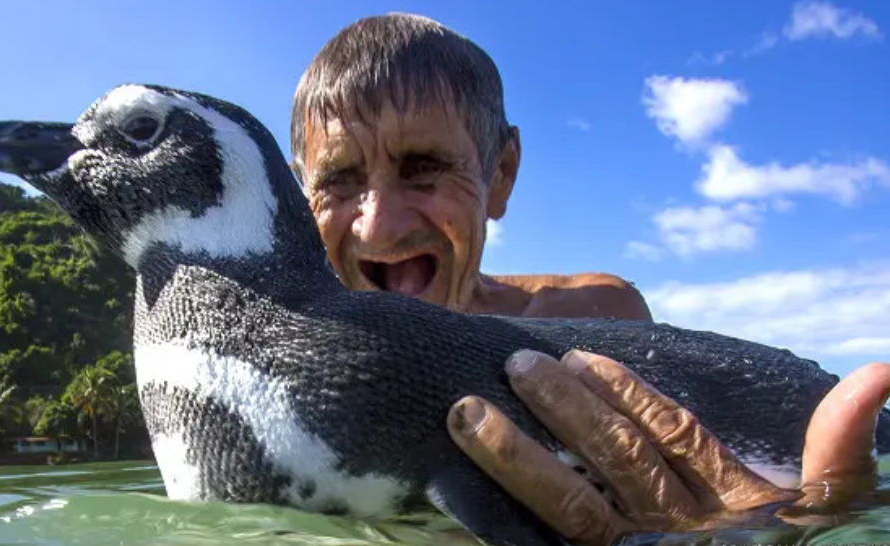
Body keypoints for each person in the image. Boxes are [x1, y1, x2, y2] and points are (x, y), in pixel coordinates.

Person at [288, 12, 890, 546]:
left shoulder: (600, 316)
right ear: (297, 194)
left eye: (424, 168)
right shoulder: (279, 369)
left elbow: (698, 491)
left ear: (500, 175)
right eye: (339, 179)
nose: (380, 225)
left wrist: (778, 527)